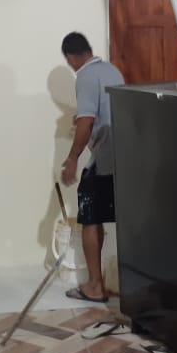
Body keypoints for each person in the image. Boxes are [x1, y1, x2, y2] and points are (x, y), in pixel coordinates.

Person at [59, 32, 124, 303]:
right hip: (125, 156)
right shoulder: (111, 70)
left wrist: (72, 159)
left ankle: (95, 286)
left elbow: (87, 121)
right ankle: (125, 282)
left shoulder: (85, 76)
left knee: (90, 217)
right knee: (122, 218)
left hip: (104, 159)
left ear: (71, 57)